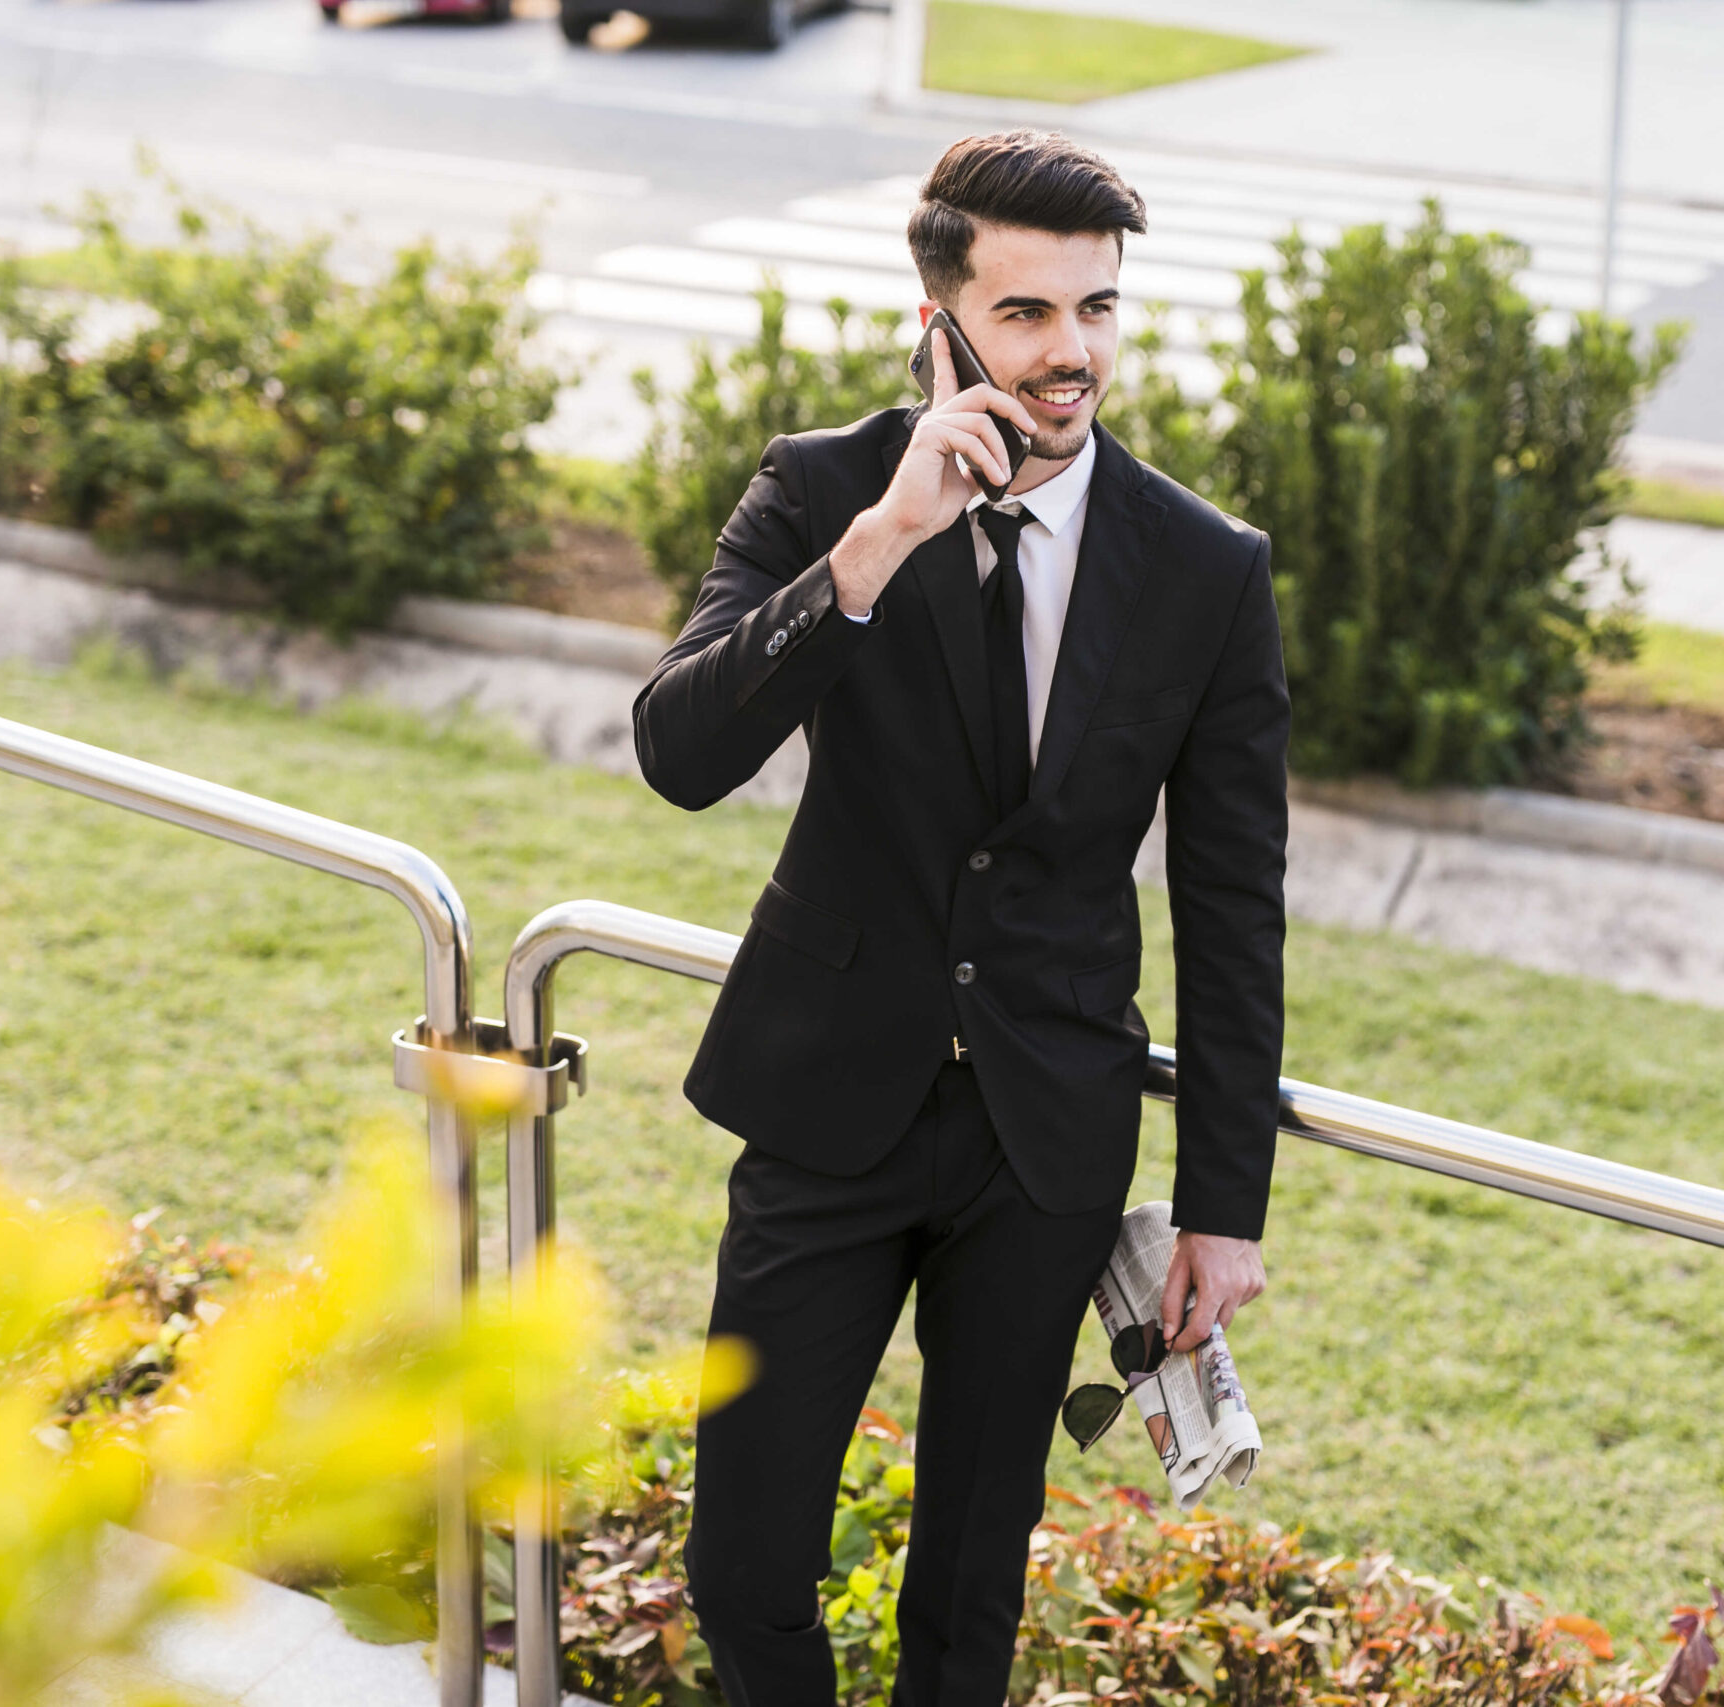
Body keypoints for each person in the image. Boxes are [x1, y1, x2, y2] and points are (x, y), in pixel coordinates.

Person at [632, 129, 1290, 1707]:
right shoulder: (823, 490)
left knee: (970, 1588)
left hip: (1044, 1139)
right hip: (828, 1097)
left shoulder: (1205, 569)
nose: (1071, 355)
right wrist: (884, 542)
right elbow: (680, 752)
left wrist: (1226, 1203)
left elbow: (1232, 900)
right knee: (743, 1562)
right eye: (1025, 315)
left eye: (1099, 311)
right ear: (939, 319)